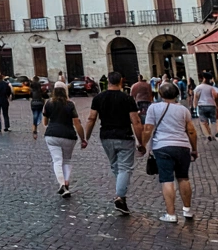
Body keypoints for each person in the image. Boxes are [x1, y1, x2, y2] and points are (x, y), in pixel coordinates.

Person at [84, 72, 146, 215]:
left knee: (115, 166)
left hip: (106, 136)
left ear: (108, 82)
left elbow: (91, 118)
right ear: (121, 82)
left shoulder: (99, 98)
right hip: (124, 136)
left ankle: (120, 192)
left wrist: (86, 137)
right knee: (125, 168)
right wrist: (141, 141)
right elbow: (135, 121)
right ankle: (120, 197)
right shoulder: (127, 99)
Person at [142, 82, 199, 223]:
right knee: (183, 178)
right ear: (177, 94)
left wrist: (142, 144)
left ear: (160, 95)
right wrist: (194, 149)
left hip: (162, 146)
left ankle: (171, 214)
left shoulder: (153, 108)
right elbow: (191, 131)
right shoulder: (184, 110)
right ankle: (187, 210)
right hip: (182, 147)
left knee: (167, 179)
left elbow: (148, 128)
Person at [41, 86, 87, 198]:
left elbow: (45, 122)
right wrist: (83, 139)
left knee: (57, 160)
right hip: (68, 135)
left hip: (52, 135)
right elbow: (77, 123)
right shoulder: (70, 105)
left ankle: (62, 184)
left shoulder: (49, 104)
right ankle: (66, 183)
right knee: (66, 160)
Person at [191, 74, 218, 142]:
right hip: (212, 105)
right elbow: (215, 96)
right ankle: (213, 134)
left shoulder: (198, 87)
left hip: (202, 105)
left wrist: (194, 106)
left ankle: (208, 135)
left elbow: (196, 97)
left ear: (203, 78)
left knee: (203, 122)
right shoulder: (212, 87)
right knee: (213, 121)